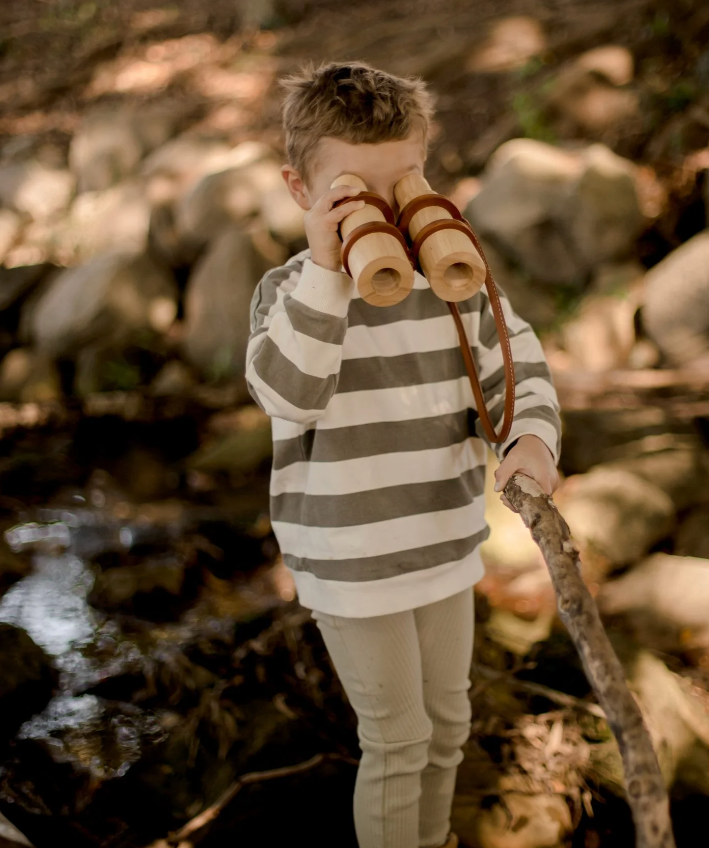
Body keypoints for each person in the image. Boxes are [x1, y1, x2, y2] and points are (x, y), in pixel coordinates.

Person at [245, 61, 562, 848]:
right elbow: (287, 394)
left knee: (448, 723)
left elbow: (515, 361)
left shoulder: (452, 279)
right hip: (349, 556)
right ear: (301, 191)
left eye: (407, 185)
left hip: (443, 541)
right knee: (397, 738)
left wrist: (531, 436)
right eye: (357, 193)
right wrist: (329, 268)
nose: (390, 214)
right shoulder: (288, 295)